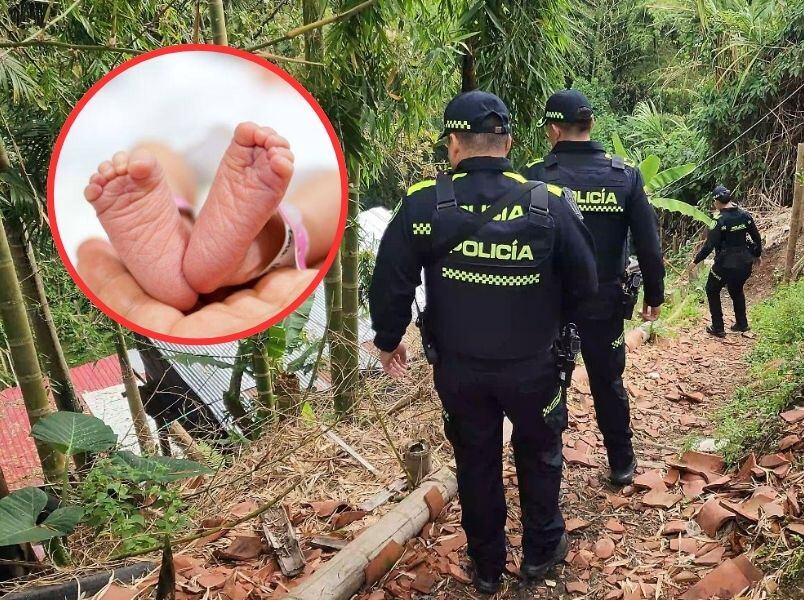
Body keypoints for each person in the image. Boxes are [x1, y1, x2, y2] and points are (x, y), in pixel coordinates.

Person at [369, 90, 598, 594]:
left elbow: (390, 279)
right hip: (534, 367)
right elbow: (587, 285)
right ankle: (541, 551)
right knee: (540, 452)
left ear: (453, 143)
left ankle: (487, 565)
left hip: (460, 370)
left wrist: (388, 338)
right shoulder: (549, 203)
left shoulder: (423, 203)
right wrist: (560, 325)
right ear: (508, 142)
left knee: (475, 460)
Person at [522, 89, 665, 487]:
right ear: (591, 125)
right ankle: (622, 462)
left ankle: (547, 475)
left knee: (550, 384)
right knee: (607, 380)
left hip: (551, 303)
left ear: (554, 130)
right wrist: (655, 294)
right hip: (605, 298)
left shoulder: (536, 176)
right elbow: (648, 244)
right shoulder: (624, 175)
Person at [692, 185, 762, 337]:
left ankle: (718, 327)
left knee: (712, 289)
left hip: (725, 265)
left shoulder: (718, 220)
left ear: (717, 201)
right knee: (736, 289)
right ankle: (742, 324)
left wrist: (695, 261)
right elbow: (756, 238)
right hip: (745, 263)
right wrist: (757, 254)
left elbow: (709, 246)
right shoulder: (745, 215)